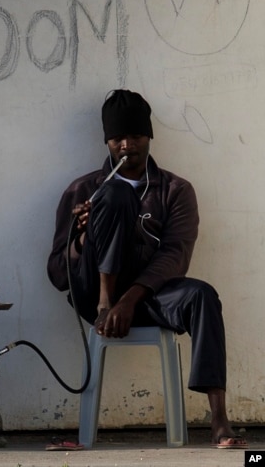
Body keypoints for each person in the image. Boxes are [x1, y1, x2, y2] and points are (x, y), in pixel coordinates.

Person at [47, 89, 246, 450]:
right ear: (106, 141)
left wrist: (129, 300)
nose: (126, 145)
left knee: (203, 296)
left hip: (148, 296)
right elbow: (58, 275)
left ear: (149, 137)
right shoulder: (82, 190)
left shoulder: (176, 190)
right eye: (117, 138)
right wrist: (79, 240)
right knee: (116, 194)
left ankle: (218, 419)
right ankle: (108, 300)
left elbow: (175, 256)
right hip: (97, 299)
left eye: (135, 136)